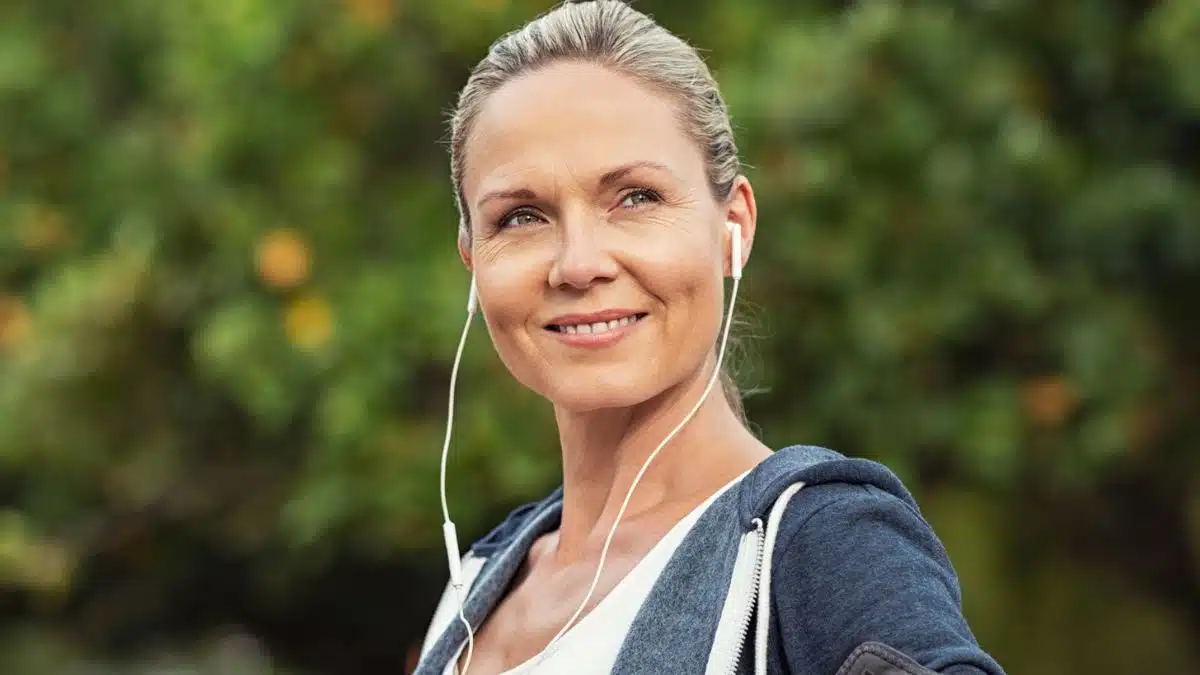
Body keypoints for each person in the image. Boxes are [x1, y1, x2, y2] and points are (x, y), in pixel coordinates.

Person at [415, 1, 1006, 674]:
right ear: (472, 258)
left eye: (635, 197)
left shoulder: (819, 545)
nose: (578, 263)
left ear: (736, 225)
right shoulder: (479, 581)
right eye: (521, 216)